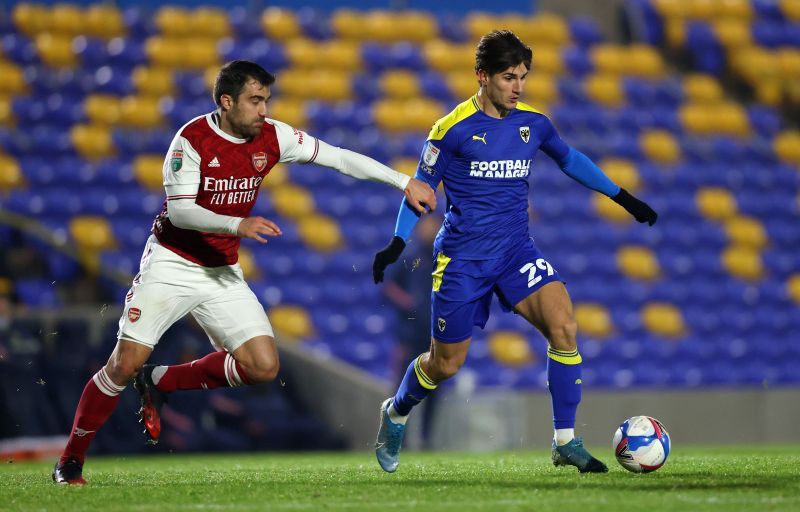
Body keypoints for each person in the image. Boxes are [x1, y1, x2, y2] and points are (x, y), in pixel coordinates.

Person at [52, 60, 436, 485]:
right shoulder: (191, 140)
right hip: (172, 262)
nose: (264, 110)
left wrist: (403, 181)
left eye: (266, 100)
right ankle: (70, 460)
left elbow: (338, 158)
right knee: (122, 365)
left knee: (262, 366)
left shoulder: (273, 136)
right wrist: (239, 225)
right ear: (226, 101)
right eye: (255, 101)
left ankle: (159, 381)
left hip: (221, 270)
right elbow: (180, 211)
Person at [372, 30, 657, 474]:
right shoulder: (451, 130)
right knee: (445, 364)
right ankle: (397, 411)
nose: (518, 86)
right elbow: (421, 191)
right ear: (482, 77)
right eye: (509, 77)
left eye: (523, 76)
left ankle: (565, 441)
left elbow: (571, 160)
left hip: (515, 252)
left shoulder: (534, 124)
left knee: (563, 324)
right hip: (463, 261)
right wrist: (395, 243)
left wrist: (623, 197)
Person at [381, 213, 442, 449]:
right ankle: (400, 439)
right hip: (409, 335)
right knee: (404, 387)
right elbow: (388, 287)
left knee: (433, 389)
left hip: (434, 336)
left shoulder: (442, 259)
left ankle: (427, 439)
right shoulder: (409, 257)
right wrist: (408, 304)